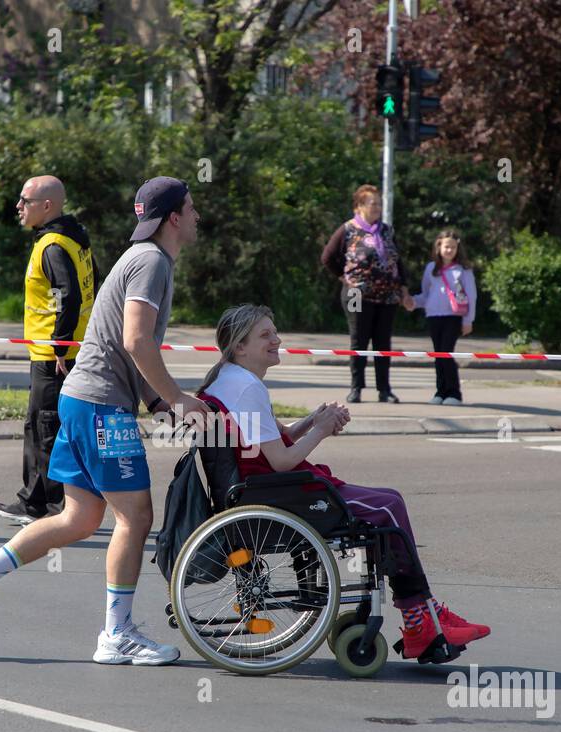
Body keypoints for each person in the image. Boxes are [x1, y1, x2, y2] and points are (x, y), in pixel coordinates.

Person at [0, 177, 209, 665]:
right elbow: (136, 341)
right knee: (136, 517)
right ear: (172, 218)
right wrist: (178, 397)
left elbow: (125, 347)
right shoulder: (152, 262)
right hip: (101, 407)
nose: (196, 216)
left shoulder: (146, 259)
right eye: (190, 208)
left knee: (80, 517)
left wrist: (158, 404)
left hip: (84, 399)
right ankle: (117, 635)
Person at [198, 303, 491, 664]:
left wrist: (312, 420)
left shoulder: (230, 379)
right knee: (389, 507)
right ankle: (420, 619)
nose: (277, 339)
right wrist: (321, 431)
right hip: (281, 493)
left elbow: (275, 438)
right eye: (266, 335)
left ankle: (423, 615)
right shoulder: (246, 388)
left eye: (274, 331)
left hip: (262, 488)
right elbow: (281, 460)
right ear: (239, 346)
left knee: (389, 502)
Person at [0, 175, 96, 525]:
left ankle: (45, 505)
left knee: (44, 426)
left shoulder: (52, 245)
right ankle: (40, 500)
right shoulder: (73, 238)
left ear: (47, 206)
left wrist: (59, 345)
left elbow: (70, 295)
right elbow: (93, 282)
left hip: (56, 355)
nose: (19, 207)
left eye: (25, 200)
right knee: (43, 424)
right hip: (67, 349)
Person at [320, 185, 414, 404]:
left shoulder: (387, 230)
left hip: (387, 297)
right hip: (356, 296)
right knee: (359, 341)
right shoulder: (348, 229)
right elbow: (327, 257)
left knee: (383, 344)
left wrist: (403, 289)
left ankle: (385, 390)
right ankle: (356, 388)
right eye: (373, 203)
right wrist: (343, 277)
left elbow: (397, 262)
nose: (377, 208)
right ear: (359, 206)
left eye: (379, 204)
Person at [416, 229, 476, 405]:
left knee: (446, 352)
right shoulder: (431, 269)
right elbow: (425, 294)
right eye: (446, 246)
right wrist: (412, 302)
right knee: (438, 354)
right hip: (434, 316)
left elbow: (471, 296)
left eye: (453, 247)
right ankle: (440, 391)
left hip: (453, 316)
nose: (449, 250)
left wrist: (468, 320)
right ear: (439, 247)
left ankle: (454, 393)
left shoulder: (463, 270)